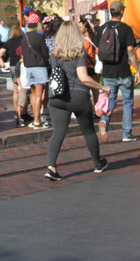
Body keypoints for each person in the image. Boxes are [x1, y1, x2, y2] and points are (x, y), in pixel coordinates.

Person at [43, 20, 108, 181]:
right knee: (88, 131)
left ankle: (51, 167)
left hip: (57, 97)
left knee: (58, 132)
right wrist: (101, 87)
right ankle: (97, 163)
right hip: (78, 95)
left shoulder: (54, 54)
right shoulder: (79, 52)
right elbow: (84, 78)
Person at [95, 1, 140, 142]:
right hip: (124, 72)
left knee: (110, 101)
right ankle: (126, 134)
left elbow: (98, 51)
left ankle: (104, 120)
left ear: (111, 12)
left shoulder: (101, 29)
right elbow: (130, 51)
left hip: (108, 72)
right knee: (128, 102)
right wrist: (137, 70)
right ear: (121, 12)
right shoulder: (126, 29)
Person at [20, 12, 50, 128]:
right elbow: (45, 53)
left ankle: (35, 118)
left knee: (33, 95)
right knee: (38, 95)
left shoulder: (24, 37)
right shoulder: (39, 37)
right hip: (39, 67)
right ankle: (37, 120)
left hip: (29, 68)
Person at [0, 24, 27, 127]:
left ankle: (17, 111)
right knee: (25, 89)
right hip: (24, 65)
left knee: (16, 90)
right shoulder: (25, 40)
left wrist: (2, 65)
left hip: (14, 66)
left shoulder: (9, 42)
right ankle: (24, 111)